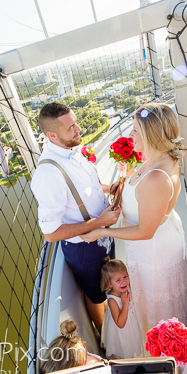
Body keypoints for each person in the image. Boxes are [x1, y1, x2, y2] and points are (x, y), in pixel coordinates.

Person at [81, 103, 187, 330]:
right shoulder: (161, 158)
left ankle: (168, 345)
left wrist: (101, 231)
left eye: (135, 130)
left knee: (160, 304)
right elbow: (148, 197)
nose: (130, 135)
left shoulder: (156, 177)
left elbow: (145, 230)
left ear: (150, 134)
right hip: (157, 240)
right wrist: (129, 176)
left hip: (154, 250)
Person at [31, 102, 120, 330]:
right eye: (70, 127)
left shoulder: (72, 151)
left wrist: (109, 189)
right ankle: (104, 335)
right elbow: (50, 234)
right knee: (96, 295)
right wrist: (98, 222)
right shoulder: (48, 173)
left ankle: (115, 321)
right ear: (52, 135)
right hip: (84, 249)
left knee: (109, 281)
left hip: (101, 235)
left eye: (76, 122)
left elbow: (86, 186)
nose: (78, 129)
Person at [100, 259, 145, 359]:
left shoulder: (126, 287)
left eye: (125, 277)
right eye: (118, 280)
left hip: (131, 326)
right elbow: (120, 324)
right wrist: (125, 304)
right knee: (125, 350)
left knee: (134, 345)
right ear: (110, 284)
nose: (123, 281)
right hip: (122, 332)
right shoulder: (112, 301)